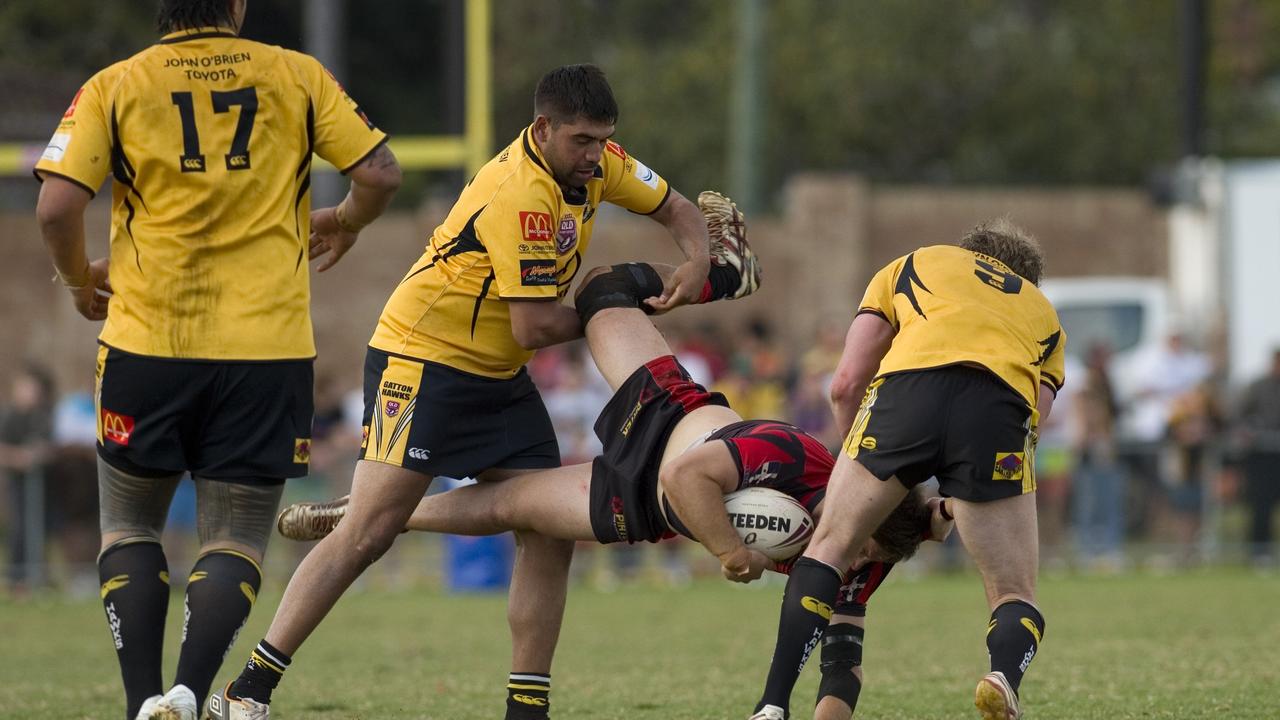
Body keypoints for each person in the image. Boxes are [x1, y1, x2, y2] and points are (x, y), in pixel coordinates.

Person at [211, 64, 759, 720]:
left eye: (603, 139)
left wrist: (697, 261)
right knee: (369, 535)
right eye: (582, 140)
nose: (595, 155)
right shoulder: (520, 195)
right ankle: (249, 691)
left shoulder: (597, 162)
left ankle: (526, 709)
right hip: (421, 363)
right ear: (543, 128)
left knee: (547, 526)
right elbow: (533, 326)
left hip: (497, 374)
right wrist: (617, 301)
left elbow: (675, 208)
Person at [273, 260, 954, 720]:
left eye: (864, 561)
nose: (850, 565)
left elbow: (841, 665)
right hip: (668, 418)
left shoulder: (873, 553)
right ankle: (723, 272)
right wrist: (729, 552)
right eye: (857, 548)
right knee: (603, 291)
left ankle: (372, 517)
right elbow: (692, 478)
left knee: (516, 508)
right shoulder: (790, 454)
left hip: (640, 506)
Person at [32, 1, 401, 717]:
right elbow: (380, 174)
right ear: (236, 4)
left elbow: (55, 209)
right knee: (234, 534)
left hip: (147, 346)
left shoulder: (116, 83)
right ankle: (189, 694)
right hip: (266, 352)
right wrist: (347, 222)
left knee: (132, 526)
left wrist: (81, 282)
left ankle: (144, 701)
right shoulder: (295, 74)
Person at [750, 218, 1065, 720]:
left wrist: (860, 466)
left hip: (908, 392)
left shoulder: (918, 262)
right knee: (1014, 590)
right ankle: (1003, 674)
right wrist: (973, 489)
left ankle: (771, 705)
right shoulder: (1044, 312)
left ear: (970, 252)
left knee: (829, 548)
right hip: (998, 411)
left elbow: (846, 382)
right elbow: (1035, 423)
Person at [1236, 348, 1280, 565]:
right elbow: (1239, 416)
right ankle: (1259, 553)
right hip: (1263, 457)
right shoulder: (1258, 387)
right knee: (1261, 505)